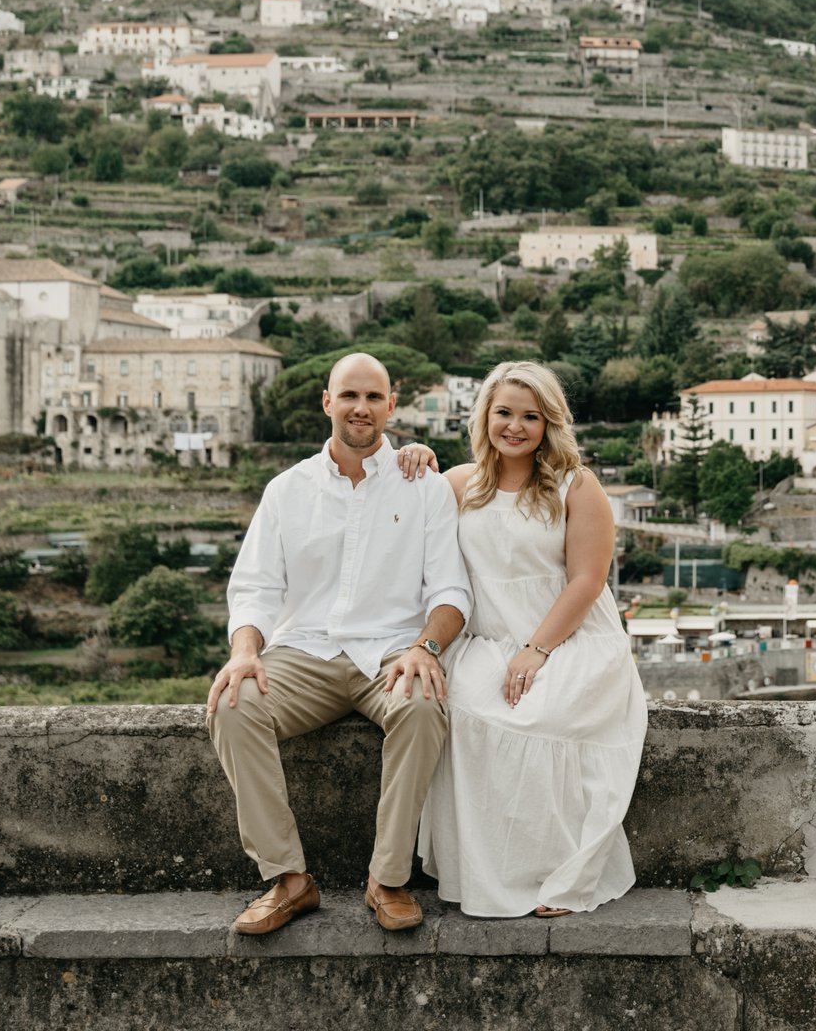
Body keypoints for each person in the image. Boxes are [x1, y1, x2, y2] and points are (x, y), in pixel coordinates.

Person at [206, 352, 471, 936]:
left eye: (374, 397)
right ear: (327, 402)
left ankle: (388, 879)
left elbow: (451, 589)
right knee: (232, 702)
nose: (361, 408)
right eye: (349, 395)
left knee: (425, 708)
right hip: (305, 654)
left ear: (391, 407)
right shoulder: (286, 490)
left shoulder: (424, 486)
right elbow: (253, 587)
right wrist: (245, 650)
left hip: (390, 653)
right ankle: (288, 880)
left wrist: (426, 647)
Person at [417, 360, 647, 918]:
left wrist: (537, 649)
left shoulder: (577, 484)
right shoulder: (455, 484)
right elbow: (392, 512)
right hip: (485, 638)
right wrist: (412, 456)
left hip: (567, 638)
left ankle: (558, 876)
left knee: (544, 716)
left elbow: (588, 581)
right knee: (466, 713)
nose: (515, 426)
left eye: (531, 416)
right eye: (504, 413)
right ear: (485, 417)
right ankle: (489, 876)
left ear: (549, 423)